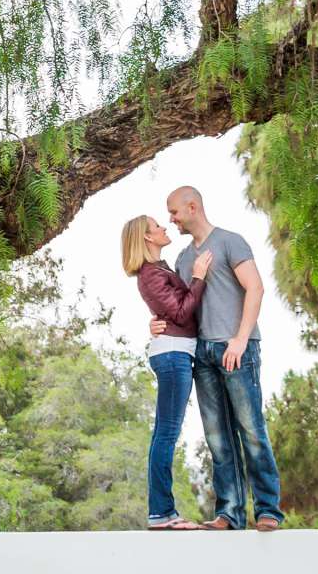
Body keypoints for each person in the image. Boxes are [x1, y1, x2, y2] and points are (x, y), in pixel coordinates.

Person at [148, 185, 283, 532]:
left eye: (174, 212)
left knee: (251, 429)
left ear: (192, 207)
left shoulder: (229, 241)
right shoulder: (181, 259)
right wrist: (156, 321)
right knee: (218, 437)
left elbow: (255, 287)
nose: (171, 219)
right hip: (202, 353)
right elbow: (180, 306)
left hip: (237, 348)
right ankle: (230, 513)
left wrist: (239, 339)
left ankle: (268, 510)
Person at [122, 213, 215, 530]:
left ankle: (161, 512)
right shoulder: (149, 274)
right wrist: (199, 277)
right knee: (166, 434)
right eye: (157, 226)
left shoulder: (160, 268)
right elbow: (179, 311)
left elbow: (169, 313)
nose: (163, 227)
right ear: (147, 238)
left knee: (165, 432)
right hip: (173, 355)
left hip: (176, 351)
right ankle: (162, 513)